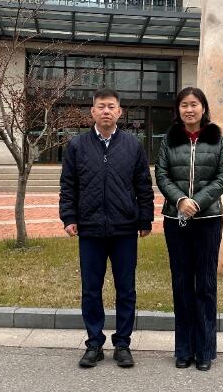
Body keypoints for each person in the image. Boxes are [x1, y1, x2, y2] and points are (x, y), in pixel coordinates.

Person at [59, 88, 154, 369]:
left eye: (111, 106)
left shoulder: (132, 146)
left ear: (119, 112)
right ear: (92, 111)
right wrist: (68, 217)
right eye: (101, 106)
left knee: (126, 289)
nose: (106, 111)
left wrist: (145, 219)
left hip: (124, 229)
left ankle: (123, 344)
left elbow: (143, 186)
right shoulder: (77, 146)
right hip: (89, 229)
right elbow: (68, 186)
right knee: (91, 289)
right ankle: (94, 344)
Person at [155, 87, 223, 372]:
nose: (189, 109)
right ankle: (184, 349)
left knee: (206, 285)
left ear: (203, 108)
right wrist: (179, 201)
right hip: (176, 221)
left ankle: (205, 350)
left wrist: (196, 203)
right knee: (182, 284)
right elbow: (161, 174)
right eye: (184, 105)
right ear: (178, 110)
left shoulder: (217, 139)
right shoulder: (168, 140)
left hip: (208, 219)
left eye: (194, 104)